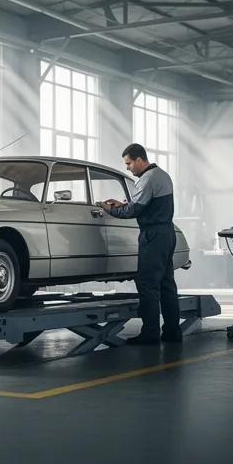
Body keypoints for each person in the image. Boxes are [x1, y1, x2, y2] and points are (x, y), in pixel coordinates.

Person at [97, 143, 181, 345]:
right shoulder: (162, 175)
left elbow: (133, 211)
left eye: (129, 164)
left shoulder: (147, 178)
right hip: (167, 232)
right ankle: (172, 331)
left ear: (140, 160)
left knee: (147, 284)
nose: (128, 169)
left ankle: (150, 334)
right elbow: (146, 204)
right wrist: (123, 203)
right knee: (167, 285)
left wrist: (107, 209)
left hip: (153, 235)